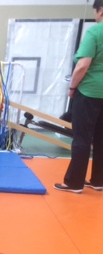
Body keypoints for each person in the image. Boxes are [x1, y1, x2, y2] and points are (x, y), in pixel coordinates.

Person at [54, 0, 103, 193]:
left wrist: (72, 88)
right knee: (101, 138)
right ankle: (99, 180)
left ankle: (74, 183)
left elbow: (82, 66)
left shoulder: (95, 32)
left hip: (90, 92)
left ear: (100, 11)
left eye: (95, 12)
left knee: (82, 138)